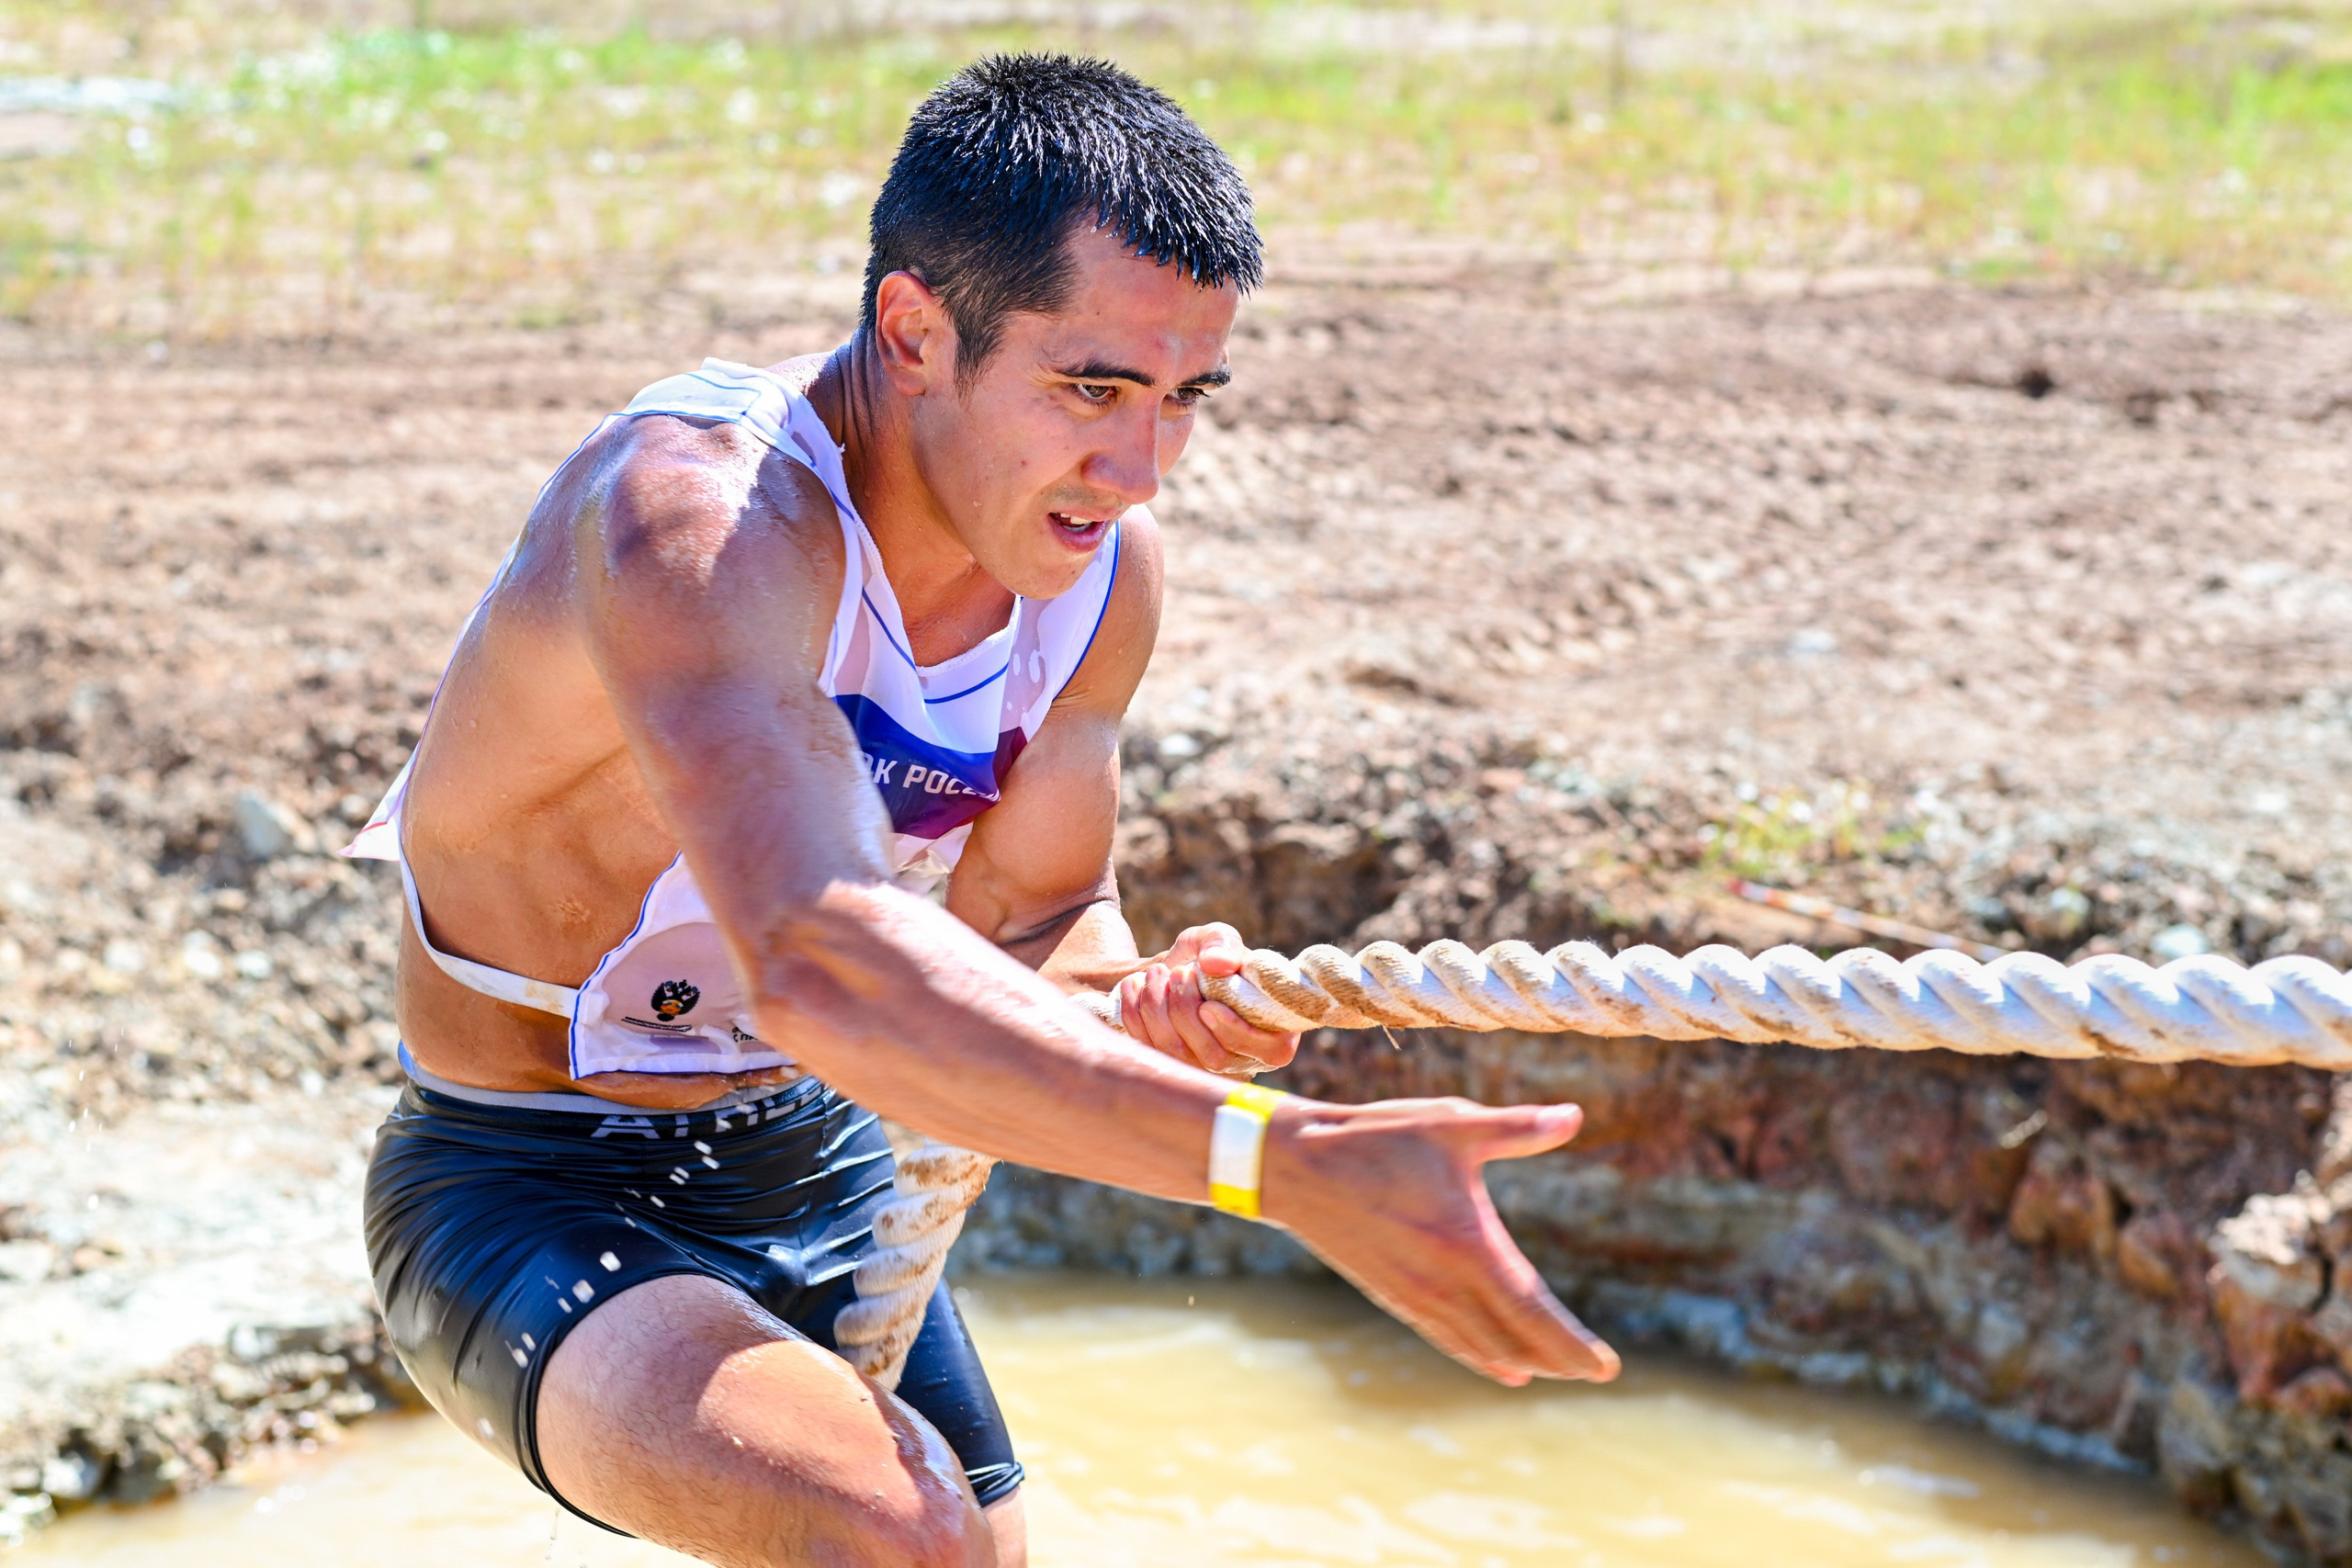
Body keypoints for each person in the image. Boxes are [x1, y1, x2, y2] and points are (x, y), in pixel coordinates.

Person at [348, 53, 1618, 1568]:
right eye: (1092, 389)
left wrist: (1138, 1000)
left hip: (822, 1153)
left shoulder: (1098, 575)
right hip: (531, 1177)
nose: (1139, 470)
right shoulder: (699, 527)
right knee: (907, 1540)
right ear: (915, 331)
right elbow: (824, 960)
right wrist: (1274, 1160)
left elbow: (1032, 917)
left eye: (1182, 398)